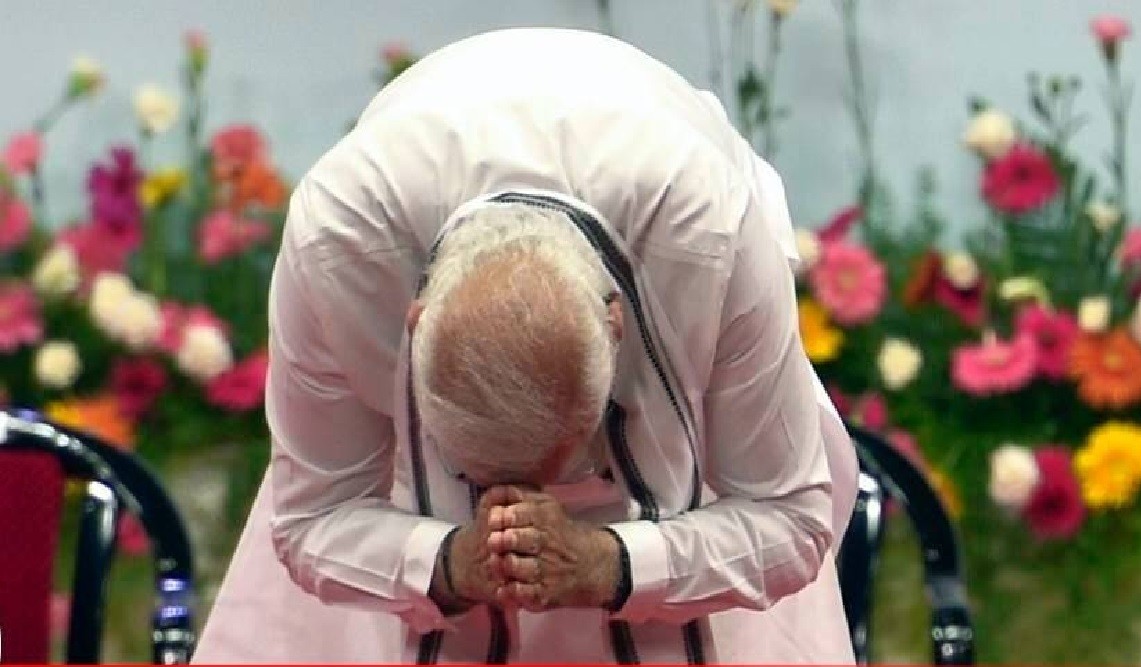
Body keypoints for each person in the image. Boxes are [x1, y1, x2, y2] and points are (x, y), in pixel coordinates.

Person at [194, 27, 859, 664]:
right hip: (406, 286)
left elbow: (789, 517)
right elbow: (314, 516)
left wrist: (609, 564)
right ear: (413, 324)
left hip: (679, 304)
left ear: (616, 326)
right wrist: (449, 562)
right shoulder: (337, 246)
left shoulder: (713, 232)